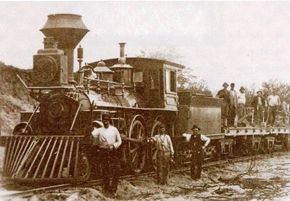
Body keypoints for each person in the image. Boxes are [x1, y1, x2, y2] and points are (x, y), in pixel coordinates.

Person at [91, 113, 122, 197]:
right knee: (105, 171)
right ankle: (106, 189)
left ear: (109, 120)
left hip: (112, 151)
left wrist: (114, 146)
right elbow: (92, 135)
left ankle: (113, 189)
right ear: (102, 121)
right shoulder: (99, 130)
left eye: (107, 120)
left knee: (117, 169)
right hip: (103, 151)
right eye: (104, 120)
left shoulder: (114, 129)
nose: (106, 121)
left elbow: (119, 141)